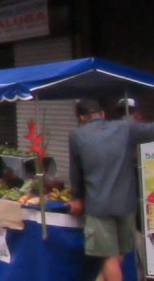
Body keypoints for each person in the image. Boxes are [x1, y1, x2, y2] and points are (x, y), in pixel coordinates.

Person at [69, 99, 154, 281]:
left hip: (99, 206)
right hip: (127, 204)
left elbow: (76, 171)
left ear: (82, 117)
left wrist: (76, 197)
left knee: (109, 257)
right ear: (102, 114)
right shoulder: (125, 128)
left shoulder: (77, 136)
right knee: (118, 254)